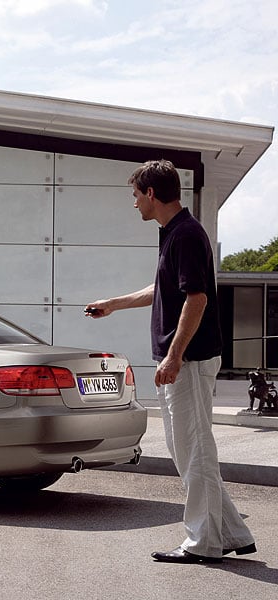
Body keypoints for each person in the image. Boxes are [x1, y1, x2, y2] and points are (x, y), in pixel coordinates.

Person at [85, 159, 256, 564]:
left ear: (150, 193)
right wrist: (114, 304)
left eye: (134, 196)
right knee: (192, 451)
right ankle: (231, 533)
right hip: (183, 361)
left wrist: (175, 356)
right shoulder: (173, 233)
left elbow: (197, 298)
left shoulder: (186, 235)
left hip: (190, 362)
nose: (133, 205)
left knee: (193, 452)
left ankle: (201, 543)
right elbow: (165, 288)